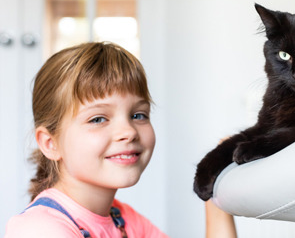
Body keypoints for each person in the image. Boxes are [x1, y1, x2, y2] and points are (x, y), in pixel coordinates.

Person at [4, 42, 237, 238]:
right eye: (98, 119)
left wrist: (214, 177)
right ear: (50, 143)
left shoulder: (123, 220)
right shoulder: (40, 230)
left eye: (138, 115)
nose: (129, 131)